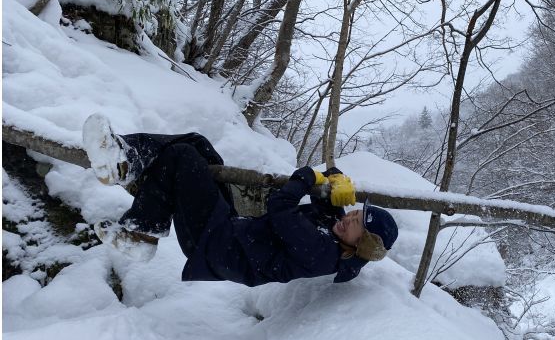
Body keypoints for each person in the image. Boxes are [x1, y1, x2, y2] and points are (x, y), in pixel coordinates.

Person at [82, 114, 398, 286]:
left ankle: (139, 223)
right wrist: (336, 177)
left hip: (214, 246)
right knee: (198, 144)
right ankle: (124, 164)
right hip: (230, 231)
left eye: (355, 223)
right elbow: (331, 196)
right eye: (354, 213)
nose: (348, 217)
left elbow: (280, 207)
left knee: (183, 157)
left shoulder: (322, 253)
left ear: (363, 244)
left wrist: (307, 176)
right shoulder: (336, 232)